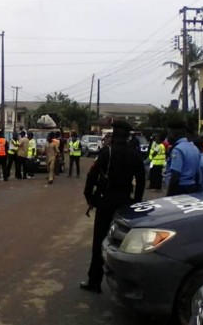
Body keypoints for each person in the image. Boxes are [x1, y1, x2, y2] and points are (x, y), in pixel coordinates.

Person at [80, 120, 145, 294]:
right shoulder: (135, 155)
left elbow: (91, 177)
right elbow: (141, 182)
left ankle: (95, 281)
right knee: (124, 244)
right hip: (126, 202)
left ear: (113, 135)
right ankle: (125, 285)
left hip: (106, 201)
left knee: (100, 241)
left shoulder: (105, 153)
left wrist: (90, 198)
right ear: (128, 135)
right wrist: (136, 203)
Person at [166, 121, 201, 196]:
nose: (167, 137)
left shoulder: (178, 150)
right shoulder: (194, 148)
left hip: (180, 188)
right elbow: (198, 173)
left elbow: (175, 175)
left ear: (174, 134)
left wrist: (169, 195)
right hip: (192, 187)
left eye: (168, 134)